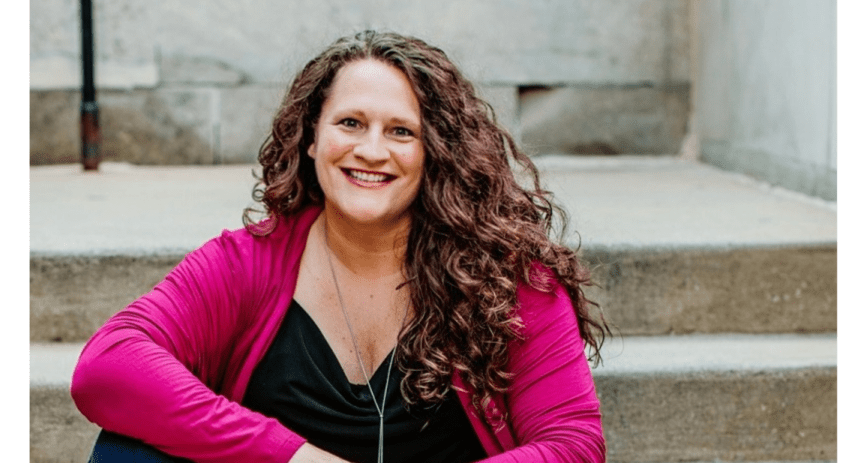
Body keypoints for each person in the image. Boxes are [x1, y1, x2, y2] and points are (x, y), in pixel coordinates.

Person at [71, 30, 611, 463]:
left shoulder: (506, 279)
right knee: (126, 453)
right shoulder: (248, 263)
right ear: (311, 138)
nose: (371, 150)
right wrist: (295, 457)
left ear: (436, 151)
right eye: (350, 123)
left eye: (402, 131)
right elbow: (108, 366)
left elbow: (573, 443)